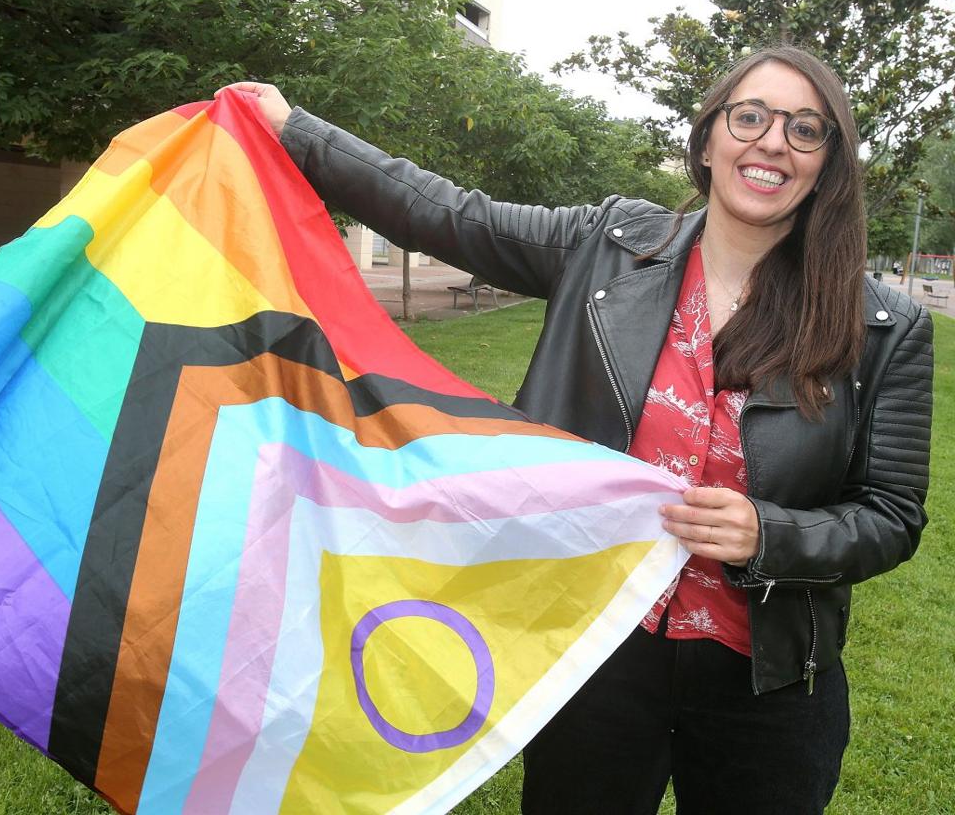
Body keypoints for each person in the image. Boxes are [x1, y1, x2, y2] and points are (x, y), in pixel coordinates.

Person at [218, 44, 932, 815]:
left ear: (827, 162)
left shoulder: (884, 326)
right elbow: (449, 214)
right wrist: (297, 131)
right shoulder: (609, 245)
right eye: (750, 117)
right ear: (708, 137)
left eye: (805, 129)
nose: (771, 143)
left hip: (768, 683)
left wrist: (771, 535)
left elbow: (890, 516)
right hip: (593, 650)